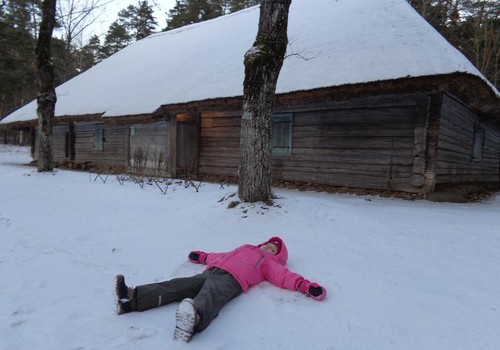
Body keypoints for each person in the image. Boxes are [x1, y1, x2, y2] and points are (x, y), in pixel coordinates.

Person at [114, 236, 327, 342]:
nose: (268, 248)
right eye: (268, 244)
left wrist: (305, 285)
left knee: (212, 293)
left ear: (276, 255)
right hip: (212, 270)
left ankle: (194, 319)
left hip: (233, 280)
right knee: (179, 285)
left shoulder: (269, 263)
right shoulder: (246, 248)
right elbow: (222, 256)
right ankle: (132, 298)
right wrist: (204, 257)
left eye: (273, 249)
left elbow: (284, 277)